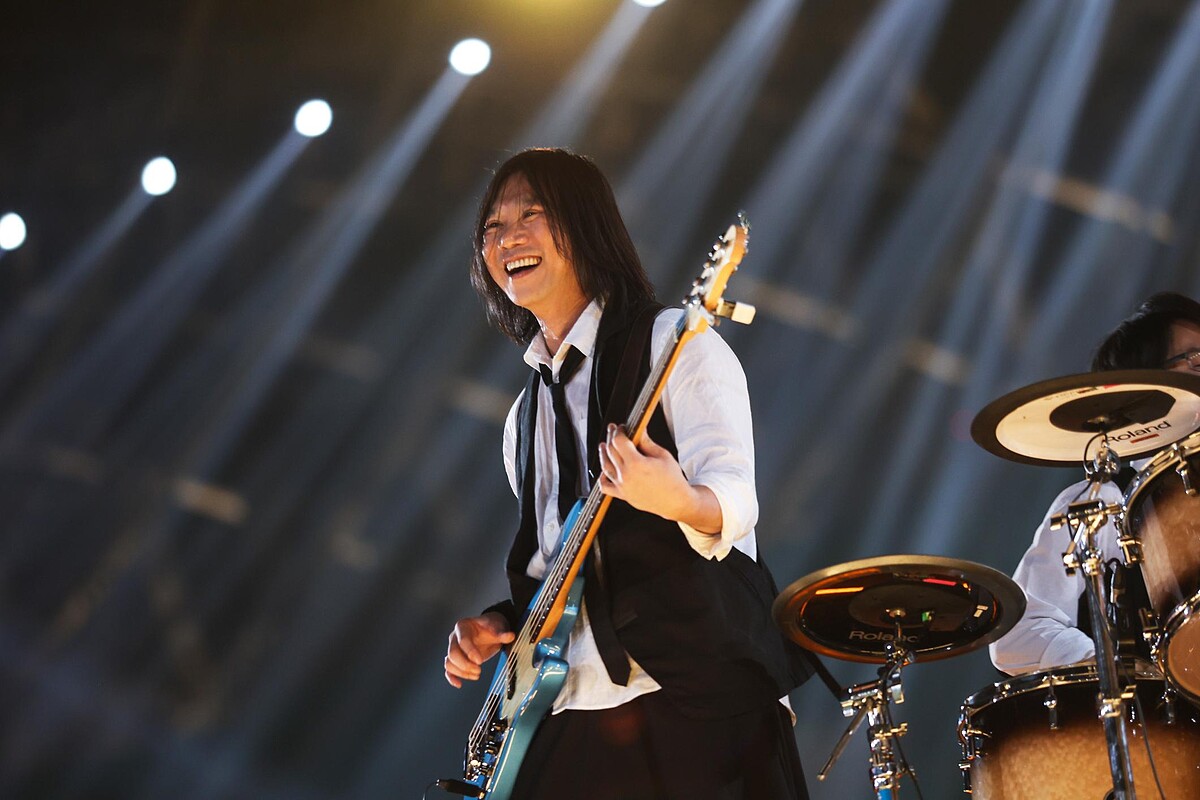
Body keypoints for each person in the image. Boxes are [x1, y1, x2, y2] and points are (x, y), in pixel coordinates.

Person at [442, 148, 812, 799]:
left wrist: (674, 498)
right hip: (568, 713)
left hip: (693, 697)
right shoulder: (522, 420)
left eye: (531, 214)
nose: (507, 238)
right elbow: (562, 570)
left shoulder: (676, 343)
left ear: (585, 224)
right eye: (493, 227)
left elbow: (735, 501)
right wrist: (499, 625)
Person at [990, 291, 1200, 675]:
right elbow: (1019, 633)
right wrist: (1120, 667)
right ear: (1147, 388)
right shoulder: (1104, 499)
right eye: (1196, 361)